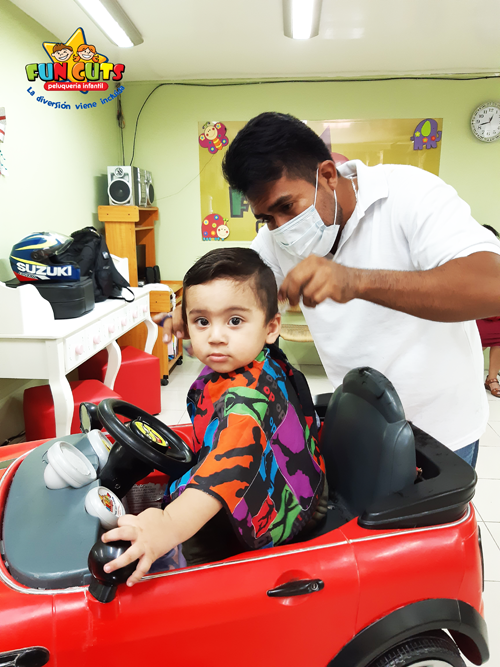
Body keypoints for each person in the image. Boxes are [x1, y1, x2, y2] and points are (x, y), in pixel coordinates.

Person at [162, 113, 500, 469]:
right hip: (360, 418)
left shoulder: (411, 195)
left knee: (426, 525)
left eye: (287, 207)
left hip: (441, 431)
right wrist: (191, 313)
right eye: (266, 218)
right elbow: (236, 291)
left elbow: (491, 286)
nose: (281, 228)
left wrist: (357, 281)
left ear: (326, 175)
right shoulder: (275, 239)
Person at [103, 247, 326, 585]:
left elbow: (225, 471)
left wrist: (165, 526)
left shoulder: (247, 406)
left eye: (235, 321)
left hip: (284, 515)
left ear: (270, 327)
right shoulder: (251, 360)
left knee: (178, 566)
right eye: (202, 321)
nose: (215, 336)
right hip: (293, 482)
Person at [476, 225, 500, 399]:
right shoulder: (468, 257)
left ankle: (492, 379)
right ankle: (465, 377)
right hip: (476, 311)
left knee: (498, 336)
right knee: (474, 345)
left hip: (495, 310)